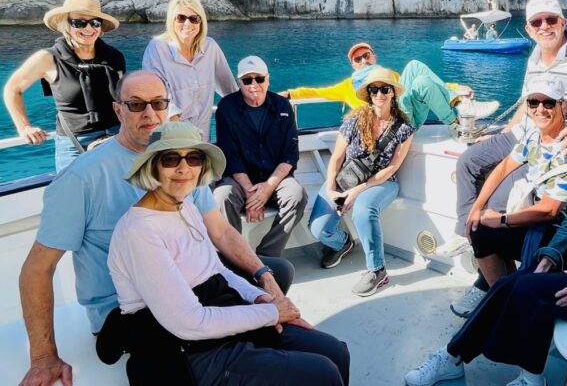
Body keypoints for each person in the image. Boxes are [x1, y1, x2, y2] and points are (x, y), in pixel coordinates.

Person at [18, 70, 292, 386]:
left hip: (189, 280)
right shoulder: (84, 178)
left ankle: (244, 355)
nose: (150, 114)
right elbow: (37, 269)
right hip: (126, 309)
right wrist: (43, 357)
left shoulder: (182, 159)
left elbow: (221, 231)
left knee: (279, 271)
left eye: (159, 103)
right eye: (136, 105)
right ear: (118, 110)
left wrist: (263, 276)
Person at [405, 92, 567, 386]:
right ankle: (453, 358)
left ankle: (521, 375)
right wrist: (550, 255)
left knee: (528, 290)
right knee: (510, 283)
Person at [107, 121, 349, 385]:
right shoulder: (140, 231)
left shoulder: (184, 206)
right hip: (189, 348)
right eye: (170, 158)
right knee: (321, 374)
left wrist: (260, 299)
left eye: (194, 158)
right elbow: (188, 322)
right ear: (152, 166)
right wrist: (271, 314)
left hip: (221, 315)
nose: (184, 168)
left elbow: (217, 270)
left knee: (335, 351)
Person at [440, 0, 567, 317]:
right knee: (469, 161)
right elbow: (527, 104)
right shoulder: (534, 56)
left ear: (563, 23)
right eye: (537, 22)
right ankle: (467, 231)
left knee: (502, 199)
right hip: (527, 132)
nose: (544, 26)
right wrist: (507, 131)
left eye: (551, 20)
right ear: (529, 29)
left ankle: (486, 282)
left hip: (564, 142)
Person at [465, 77, 567, 287]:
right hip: (538, 221)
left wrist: (501, 220)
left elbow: (549, 210)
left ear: (563, 106)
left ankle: (501, 298)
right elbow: (504, 167)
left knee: (482, 234)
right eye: (534, 103)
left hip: (560, 234)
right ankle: (505, 290)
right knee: (477, 224)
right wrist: (476, 208)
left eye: (549, 103)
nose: (540, 109)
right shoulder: (534, 136)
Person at [308, 68, 415, 296]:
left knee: (363, 210)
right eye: (374, 89)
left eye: (384, 89)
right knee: (318, 228)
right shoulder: (354, 120)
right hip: (347, 178)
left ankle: (377, 270)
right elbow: (337, 158)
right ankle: (343, 243)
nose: (379, 94)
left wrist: (358, 191)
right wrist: (330, 189)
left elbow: (392, 167)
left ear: (392, 93)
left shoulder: (404, 129)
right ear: (368, 93)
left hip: (382, 182)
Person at [3, 0, 125, 171]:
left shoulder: (114, 57)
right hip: (74, 145)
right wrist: (24, 127)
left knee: (121, 194)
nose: (88, 28)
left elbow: (124, 98)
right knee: (74, 196)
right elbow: (12, 90)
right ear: (66, 24)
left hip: (117, 137)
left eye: (95, 23)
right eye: (79, 23)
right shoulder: (48, 59)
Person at [282, 42, 498, 136]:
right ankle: (458, 115)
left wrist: (455, 87)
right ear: (353, 65)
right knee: (417, 72)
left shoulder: (389, 76)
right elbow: (317, 92)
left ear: (374, 56)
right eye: (358, 59)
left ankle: (458, 113)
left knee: (418, 75)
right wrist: (290, 94)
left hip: (407, 117)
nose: (364, 61)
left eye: (367, 55)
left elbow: (421, 83)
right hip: (390, 127)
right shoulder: (347, 86)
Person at [214, 56, 307, 258]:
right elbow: (230, 155)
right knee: (221, 196)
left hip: (274, 178)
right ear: (239, 83)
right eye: (247, 80)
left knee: (297, 194)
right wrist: (251, 193)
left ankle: (266, 256)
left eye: (259, 79)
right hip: (240, 179)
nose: (254, 85)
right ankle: (236, 257)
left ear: (268, 79)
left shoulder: (283, 106)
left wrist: (266, 189)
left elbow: (290, 154)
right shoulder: (226, 108)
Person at [142, 0, 238, 140]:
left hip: (201, 137)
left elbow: (230, 90)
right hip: (168, 137)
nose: (188, 24)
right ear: (171, 21)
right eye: (181, 18)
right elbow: (157, 95)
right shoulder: (157, 48)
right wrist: (182, 135)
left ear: (201, 23)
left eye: (194, 19)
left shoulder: (210, 47)